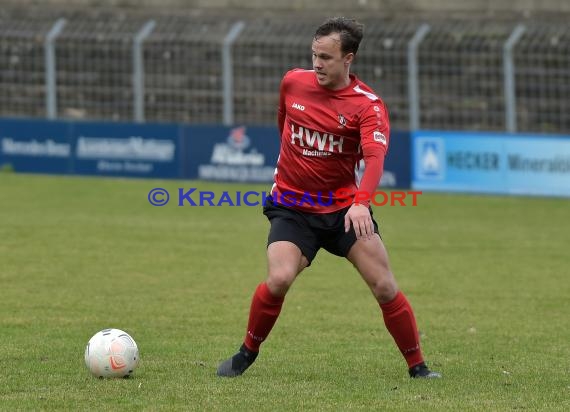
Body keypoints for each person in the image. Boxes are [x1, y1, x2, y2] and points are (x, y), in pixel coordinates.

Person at [217, 17, 441, 379]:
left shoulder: (367, 105)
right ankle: (246, 353)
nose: (317, 64)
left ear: (348, 58)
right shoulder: (293, 82)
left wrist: (361, 202)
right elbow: (282, 124)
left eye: (325, 57)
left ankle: (419, 368)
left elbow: (374, 158)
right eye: (314, 55)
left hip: (343, 210)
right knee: (279, 279)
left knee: (384, 285)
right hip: (292, 207)